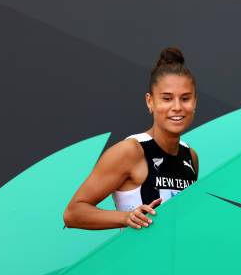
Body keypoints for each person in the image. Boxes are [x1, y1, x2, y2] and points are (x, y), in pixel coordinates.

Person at [63, 47, 199, 230]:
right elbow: (73, 213)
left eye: (185, 99)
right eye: (166, 99)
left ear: (195, 102)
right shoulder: (130, 151)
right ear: (150, 102)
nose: (177, 107)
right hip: (138, 258)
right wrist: (126, 217)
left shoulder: (191, 156)